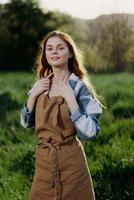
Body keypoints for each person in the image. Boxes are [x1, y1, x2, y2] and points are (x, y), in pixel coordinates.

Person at [20, 30, 103, 200]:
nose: (54, 52)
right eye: (49, 49)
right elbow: (25, 123)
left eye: (60, 48)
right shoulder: (41, 85)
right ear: (45, 55)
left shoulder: (79, 88)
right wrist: (33, 95)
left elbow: (91, 132)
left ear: (71, 52)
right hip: (43, 162)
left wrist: (71, 99)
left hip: (72, 164)